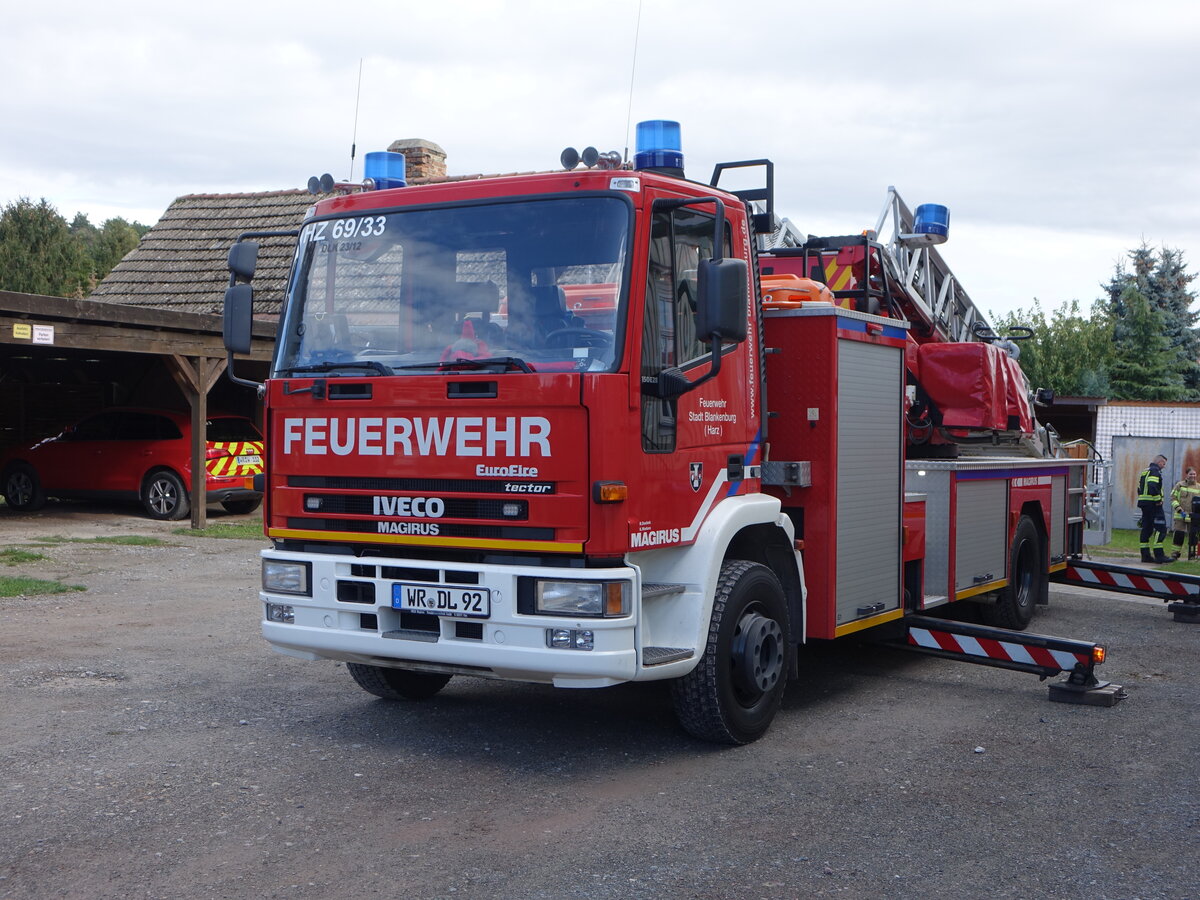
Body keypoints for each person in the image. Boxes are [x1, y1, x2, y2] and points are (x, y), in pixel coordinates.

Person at [1137, 453, 1170, 563]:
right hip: (1153, 504)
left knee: (1147, 528)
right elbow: (1152, 485)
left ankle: (1145, 555)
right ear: (1159, 462)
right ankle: (1159, 555)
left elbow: (1140, 488)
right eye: (1163, 463)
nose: (1164, 466)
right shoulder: (1155, 471)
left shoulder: (1145, 471)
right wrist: (1158, 500)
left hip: (1144, 504)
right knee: (1161, 528)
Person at [1169, 466, 1200, 559]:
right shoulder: (1180, 485)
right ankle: (1175, 553)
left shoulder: (1199, 487)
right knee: (1179, 534)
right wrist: (1179, 509)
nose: (1193, 476)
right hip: (1180, 515)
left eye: (1194, 474)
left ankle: (1192, 554)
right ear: (1187, 475)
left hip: (1193, 516)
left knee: (1193, 536)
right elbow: (1172, 498)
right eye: (1191, 474)